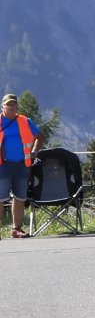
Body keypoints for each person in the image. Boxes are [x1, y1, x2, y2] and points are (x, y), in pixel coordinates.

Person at [1, 93, 39, 238]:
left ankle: (16, 229)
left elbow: (40, 136)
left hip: (22, 165)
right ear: (3, 107)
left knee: (19, 198)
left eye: (14, 104)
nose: (11, 107)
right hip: (2, 165)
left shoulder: (25, 121)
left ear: (17, 106)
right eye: (8, 105)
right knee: (0, 198)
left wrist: (34, 152)